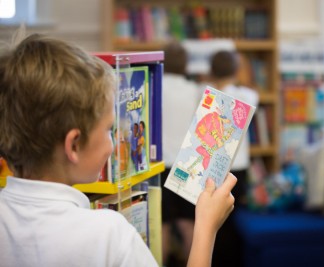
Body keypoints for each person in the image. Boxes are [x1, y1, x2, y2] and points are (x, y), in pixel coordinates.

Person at [0, 32, 237, 267]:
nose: (114, 144)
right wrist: (206, 227)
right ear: (74, 145)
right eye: (109, 130)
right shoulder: (110, 235)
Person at [208, 50, 259, 267]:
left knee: (215, 220)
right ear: (236, 71)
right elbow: (252, 92)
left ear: (211, 71)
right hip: (239, 169)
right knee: (236, 219)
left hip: (215, 167)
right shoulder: (247, 96)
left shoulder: (207, 93)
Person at [161, 41, 201, 266]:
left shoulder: (155, 86)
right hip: (188, 163)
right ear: (186, 64)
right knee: (188, 224)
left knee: (162, 224)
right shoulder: (195, 91)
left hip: (160, 163)